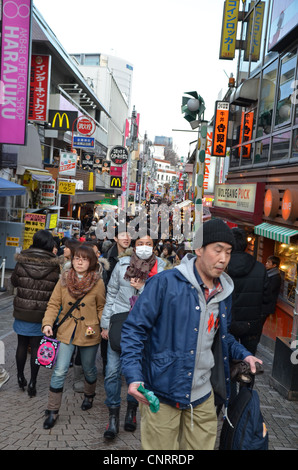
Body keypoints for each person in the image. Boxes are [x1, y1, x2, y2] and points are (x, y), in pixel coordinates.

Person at [120, 218, 263, 451]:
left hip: (203, 397)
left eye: (228, 252)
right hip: (161, 394)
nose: (223, 258)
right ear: (199, 249)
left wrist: (245, 354)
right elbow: (134, 330)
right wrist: (134, 376)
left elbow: (221, 336)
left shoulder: (225, 292)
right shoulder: (164, 283)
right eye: (217, 250)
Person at [101, 232, 166, 440]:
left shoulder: (163, 268)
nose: (144, 247)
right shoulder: (121, 266)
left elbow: (165, 299)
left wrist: (144, 287)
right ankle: (112, 415)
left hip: (147, 327)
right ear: (135, 246)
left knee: (137, 372)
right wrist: (105, 324)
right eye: (141, 243)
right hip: (120, 323)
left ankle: (131, 410)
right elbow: (110, 294)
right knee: (112, 372)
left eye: (149, 243)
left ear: (154, 246)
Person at [41, 244, 106, 429]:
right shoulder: (63, 280)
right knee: (60, 370)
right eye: (77, 258)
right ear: (72, 259)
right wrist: (47, 323)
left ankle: (89, 395)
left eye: (84, 259)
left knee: (89, 368)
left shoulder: (98, 282)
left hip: (89, 331)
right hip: (66, 330)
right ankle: (53, 411)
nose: (79, 261)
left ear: (91, 262)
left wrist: (103, 326)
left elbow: (102, 306)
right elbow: (54, 304)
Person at [11, 230, 60, 397]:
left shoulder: (22, 260)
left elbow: (14, 282)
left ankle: (19, 376)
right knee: (37, 347)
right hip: (41, 314)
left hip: (22, 310)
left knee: (22, 345)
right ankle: (33, 381)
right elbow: (56, 290)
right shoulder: (54, 264)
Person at [227, 228, 272, 355]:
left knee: (228, 361)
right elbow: (267, 299)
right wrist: (258, 320)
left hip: (229, 323)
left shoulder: (222, 267)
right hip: (252, 325)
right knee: (248, 362)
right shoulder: (260, 267)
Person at [100, 229, 132, 376]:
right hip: (106, 302)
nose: (126, 238)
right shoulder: (107, 257)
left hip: (124, 307)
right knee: (106, 339)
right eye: (123, 235)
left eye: (129, 235)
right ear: (115, 238)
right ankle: (107, 368)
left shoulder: (135, 259)